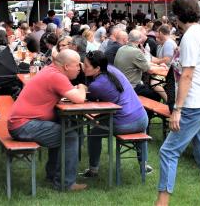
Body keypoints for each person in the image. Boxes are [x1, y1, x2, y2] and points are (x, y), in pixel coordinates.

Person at [155, 0, 200, 206]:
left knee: (168, 151)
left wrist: (177, 109)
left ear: (177, 16)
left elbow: (187, 75)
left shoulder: (191, 37)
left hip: (194, 104)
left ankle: (162, 203)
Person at [8, 50, 88, 191]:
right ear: (66, 66)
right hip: (24, 125)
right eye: (77, 65)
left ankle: (52, 176)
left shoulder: (50, 70)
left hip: (20, 122)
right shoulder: (56, 76)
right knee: (69, 136)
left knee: (62, 127)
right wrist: (82, 86)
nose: (79, 69)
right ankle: (66, 183)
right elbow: (80, 98)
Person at [81, 50, 151, 178]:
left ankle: (93, 170)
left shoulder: (97, 85)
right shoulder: (112, 69)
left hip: (124, 123)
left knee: (94, 133)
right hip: (142, 118)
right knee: (139, 131)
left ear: (97, 68)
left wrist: (81, 87)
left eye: (86, 65)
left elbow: (87, 99)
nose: (83, 67)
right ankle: (144, 164)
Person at [115, 29, 162, 101]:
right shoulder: (136, 52)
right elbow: (150, 70)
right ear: (140, 40)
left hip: (120, 84)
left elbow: (144, 63)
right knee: (156, 95)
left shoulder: (121, 49)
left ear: (128, 38)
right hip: (131, 86)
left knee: (147, 87)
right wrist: (162, 68)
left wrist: (157, 66)